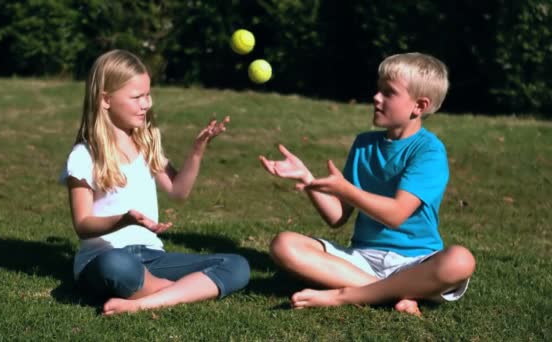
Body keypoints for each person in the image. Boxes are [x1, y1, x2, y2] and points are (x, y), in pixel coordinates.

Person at [259, 52, 475, 316]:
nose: (376, 97)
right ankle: (392, 293)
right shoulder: (364, 144)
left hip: (416, 261)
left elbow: (396, 214)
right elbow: (338, 217)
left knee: (460, 260)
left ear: (419, 106)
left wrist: (346, 189)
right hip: (362, 261)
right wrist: (309, 179)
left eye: (388, 93)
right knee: (284, 245)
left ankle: (345, 295)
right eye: (378, 89)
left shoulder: (428, 151)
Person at [60, 49, 250, 315]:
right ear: (105, 99)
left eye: (148, 95)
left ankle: (142, 302)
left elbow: (178, 191)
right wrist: (123, 220)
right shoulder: (84, 155)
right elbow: (82, 225)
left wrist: (197, 150)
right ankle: (186, 290)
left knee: (236, 264)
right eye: (137, 97)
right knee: (116, 266)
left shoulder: (144, 142)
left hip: (153, 257)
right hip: (103, 258)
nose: (146, 104)